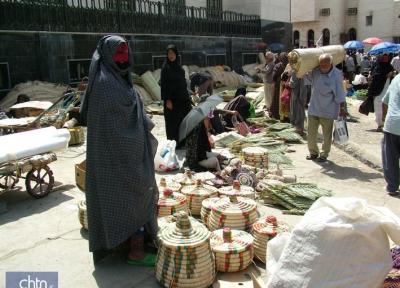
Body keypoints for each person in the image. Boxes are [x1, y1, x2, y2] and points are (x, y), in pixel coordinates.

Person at [80, 35, 159, 265]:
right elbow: (114, 126)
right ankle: (135, 251)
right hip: (114, 158)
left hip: (131, 154)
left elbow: (129, 111)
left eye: (126, 54)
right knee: (131, 197)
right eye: (119, 55)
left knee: (140, 194)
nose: (124, 59)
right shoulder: (105, 83)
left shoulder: (119, 76)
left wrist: (142, 119)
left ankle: (135, 242)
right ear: (108, 56)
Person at [306, 53, 346, 162]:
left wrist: (342, 108)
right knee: (311, 133)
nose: (323, 65)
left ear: (331, 62)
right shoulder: (315, 71)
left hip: (328, 109)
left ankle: (324, 154)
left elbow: (340, 92)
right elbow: (305, 77)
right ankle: (313, 152)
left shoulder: (336, 75)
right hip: (314, 107)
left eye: (325, 62)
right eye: (321, 63)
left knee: (326, 134)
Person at [161, 44, 192, 146]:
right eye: (169, 53)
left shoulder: (179, 67)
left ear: (176, 54)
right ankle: (175, 143)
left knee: (183, 120)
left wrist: (189, 94)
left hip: (182, 99)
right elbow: (164, 85)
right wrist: (167, 100)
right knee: (173, 122)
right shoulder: (166, 68)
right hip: (172, 101)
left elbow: (183, 83)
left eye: (173, 53)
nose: (171, 55)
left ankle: (183, 141)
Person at [381, 74, 400, 196]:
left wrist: (384, 118)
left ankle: (392, 186)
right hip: (392, 124)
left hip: (392, 124)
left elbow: (384, 101)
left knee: (390, 156)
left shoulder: (397, 78)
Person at [367, 54, 394, 132]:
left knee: (387, 106)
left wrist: (392, 74)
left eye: (387, 57)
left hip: (387, 90)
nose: (385, 58)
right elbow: (374, 76)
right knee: (378, 107)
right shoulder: (377, 66)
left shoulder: (389, 66)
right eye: (384, 57)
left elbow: (393, 77)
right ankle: (380, 124)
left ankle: (385, 123)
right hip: (378, 91)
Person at [271, 52, 288, 119]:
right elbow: (274, 76)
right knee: (279, 99)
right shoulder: (281, 65)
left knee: (280, 99)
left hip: (283, 85)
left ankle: (280, 115)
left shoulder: (281, 65)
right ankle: (279, 115)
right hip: (281, 85)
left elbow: (273, 76)